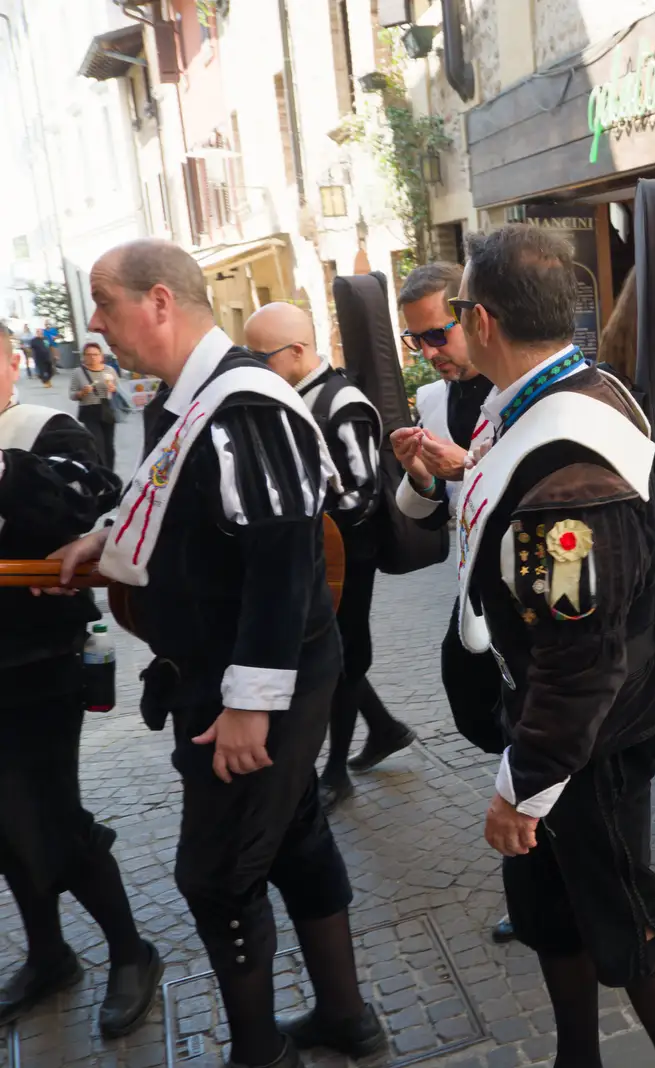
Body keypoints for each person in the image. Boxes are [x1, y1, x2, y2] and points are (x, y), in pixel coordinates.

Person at [54, 239, 378, 1068]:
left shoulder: (243, 403)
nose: (94, 322)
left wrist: (248, 707)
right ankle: (345, 1018)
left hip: (256, 686)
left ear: (159, 301)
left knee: (218, 875)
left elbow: (281, 564)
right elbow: (180, 513)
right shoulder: (187, 398)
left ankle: (259, 1053)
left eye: (104, 301)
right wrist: (106, 538)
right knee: (296, 839)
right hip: (226, 676)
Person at [453, 224, 655, 1067]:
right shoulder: (568, 393)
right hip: (558, 727)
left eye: (455, 315)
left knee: (628, 918)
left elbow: (581, 659)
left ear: (483, 319)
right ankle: (576, 1057)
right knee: (550, 906)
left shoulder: (569, 462)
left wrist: (521, 789)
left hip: (587, 742)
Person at [0, 330, 163, 1037]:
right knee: (4, 827)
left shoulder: (42, 428)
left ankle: (132, 950)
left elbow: (90, 500)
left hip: (41, 661)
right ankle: (48, 952)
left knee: (49, 815)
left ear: (10, 362)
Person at [245, 303, 415, 807]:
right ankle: (382, 729)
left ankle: (336, 769)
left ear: (297, 350)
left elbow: (360, 493)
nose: (253, 367)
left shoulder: (343, 403)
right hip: (316, 552)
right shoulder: (290, 392)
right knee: (338, 652)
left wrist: (301, 509)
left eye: (261, 357)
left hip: (347, 555)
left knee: (342, 655)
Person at [390, 262, 514, 944]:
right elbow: (425, 513)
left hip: (525, 601)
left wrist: (465, 466)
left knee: (530, 739)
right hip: (472, 597)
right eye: (417, 342)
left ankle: (542, 874)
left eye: (438, 334)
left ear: (473, 317)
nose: (431, 353)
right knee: (484, 720)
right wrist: (417, 475)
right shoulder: (434, 401)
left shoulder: (516, 387)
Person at [69, 341, 118, 470]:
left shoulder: (109, 370)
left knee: (109, 445)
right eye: (89, 354)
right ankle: (101, 472)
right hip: (89, 410)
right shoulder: (78, 372)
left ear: (101, 356)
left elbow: (117, 388)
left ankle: (110, 471)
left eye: (95, 354)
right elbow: (72, 394)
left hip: (107, 409)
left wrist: (113, 389)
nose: (92, 357)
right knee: (97, 444)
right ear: (83, 356)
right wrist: (81, 393)